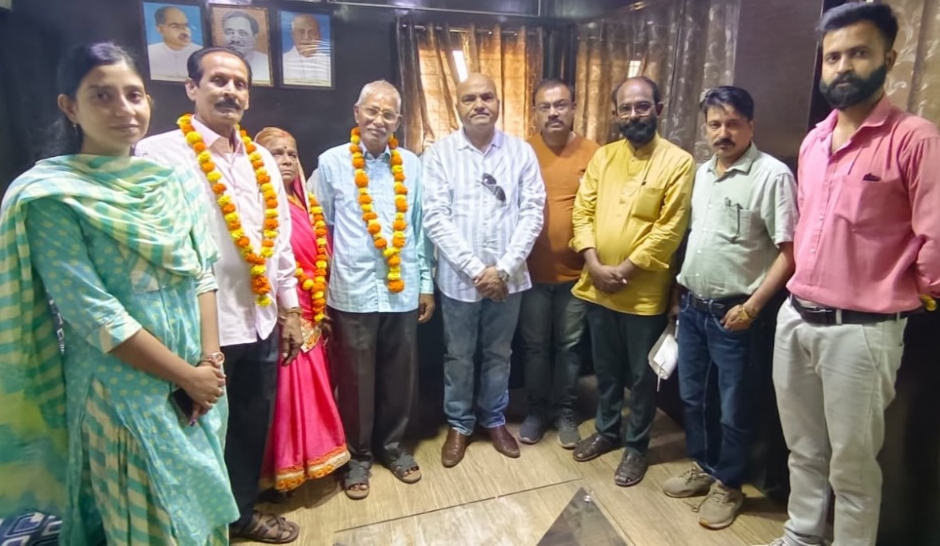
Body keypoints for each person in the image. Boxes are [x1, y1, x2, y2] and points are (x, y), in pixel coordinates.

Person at [0, 42, 237, 544]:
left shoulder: (171, 182)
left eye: (134, 94)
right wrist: (187, 376)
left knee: (200, 518)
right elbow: (94, 314)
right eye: (102, 95)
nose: (124, 109)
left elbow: (202, 274)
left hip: (196, 388)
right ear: (70, 106)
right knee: (150, 527)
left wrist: (209, 363)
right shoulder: (52, 196)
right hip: (123, 395)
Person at [761, 4, 940, 546]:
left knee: (853, 465)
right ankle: (801, 533)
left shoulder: (915, 139)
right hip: (795, 319)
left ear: (889, 57)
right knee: (803, 448)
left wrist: (916, 293)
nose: (842, 66)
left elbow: (935, 237)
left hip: (861, 331)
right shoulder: (815, 141)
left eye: (858, 53)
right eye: (833, 56)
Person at [136, 47, 303, 543]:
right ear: (192, 88)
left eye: (240, 83)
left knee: (250, 426)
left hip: (261, 319)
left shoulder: (261, 161)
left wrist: (291, 309)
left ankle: (240, 514)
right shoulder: (157, 154)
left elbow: (279, 244)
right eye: (219, 80)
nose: (231, 91)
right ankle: (196, 528)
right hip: (196, 328)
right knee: (196, 432)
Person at [666, 86, 797, 530]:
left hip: (736, 316)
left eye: (733, 124)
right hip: (693, 310)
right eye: (715, 124)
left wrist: (754, 307)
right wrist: (678, 295)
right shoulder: (702, 173)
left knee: (734, 407)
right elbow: (695, 240)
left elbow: (790, 252)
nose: (723, 133)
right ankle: (705, 467)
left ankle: (730, 484)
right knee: (693, 398)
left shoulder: (772, 175)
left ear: (751, 125)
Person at [570, 77, 694, 487]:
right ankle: (607, 430)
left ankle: (637, 447)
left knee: (642, 377)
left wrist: (624, 269)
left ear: (659, 109)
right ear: (615, 114)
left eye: (642, 106)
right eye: (626, 108)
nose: (634, 114)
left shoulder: (678, 162)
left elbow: (669, 229)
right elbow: (582, 212)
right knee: (605, 368)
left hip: (643, 293)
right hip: (597, 286)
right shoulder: (604, 157)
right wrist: (593, 262)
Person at [314, 80, 434, 499]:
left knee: (400, 376)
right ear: (356, 113)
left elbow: (419, 228)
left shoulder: (412, 165)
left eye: (388, 114)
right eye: (372, 111)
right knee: (356, 379)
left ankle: (393, 447)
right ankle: (357, 457)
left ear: (398, 121)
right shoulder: (331, 163)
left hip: (402, 290)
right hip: (352, 290)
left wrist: (426, 285)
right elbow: (320, 229)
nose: (379, 120)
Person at [423, 73, 546, 468]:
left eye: (487, 97)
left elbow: (533, 213)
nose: (479, 104)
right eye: (469, 98)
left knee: (499, 353)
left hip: (509, 280)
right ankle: (459, 424)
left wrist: (503, 269)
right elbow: (435, 217)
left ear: (498, 104)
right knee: (458, 355)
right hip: (459, 281)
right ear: (457, 106)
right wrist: (479, 270)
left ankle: (494, 419)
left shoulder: (521, 153)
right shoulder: (440, 154)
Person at [254, 127, 350, 496]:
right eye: (276, 153)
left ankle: (318, 461)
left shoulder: (307, 203)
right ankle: (282, 470)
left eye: (291, 154)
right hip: (281, 312)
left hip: (315, 308)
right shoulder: (256, 205)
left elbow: (322, 254)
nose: (286, 161)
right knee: (285, 393)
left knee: (316, 386)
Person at [518, 78, 598, 449]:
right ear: (534, 112)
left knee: (569, 347)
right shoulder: (522, 152)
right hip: (529, 275)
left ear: (573, 108)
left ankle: (565, 411)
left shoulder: (595, 154)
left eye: (561, 105)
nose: (553, 112)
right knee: (534, 347)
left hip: (577, 275)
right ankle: (536, 411)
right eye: (545, 106)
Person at [147, 5, 202, 81]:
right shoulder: (150, 52)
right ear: (160, 29)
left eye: (186, 25)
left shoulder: (201, 54)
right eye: (175, 26)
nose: (184, 30)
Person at [220, 10, 270, 85]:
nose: (235, 39)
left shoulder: (266, 64)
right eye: (229, 32)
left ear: (255, 36)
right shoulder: (214, 63)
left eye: (242, 33)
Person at [282, 13, 331, 87]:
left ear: (319, 36)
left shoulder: (329, 62)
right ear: (293, 35)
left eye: (312, 32)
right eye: (301, 32)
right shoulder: (283, 61)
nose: (306, 37)